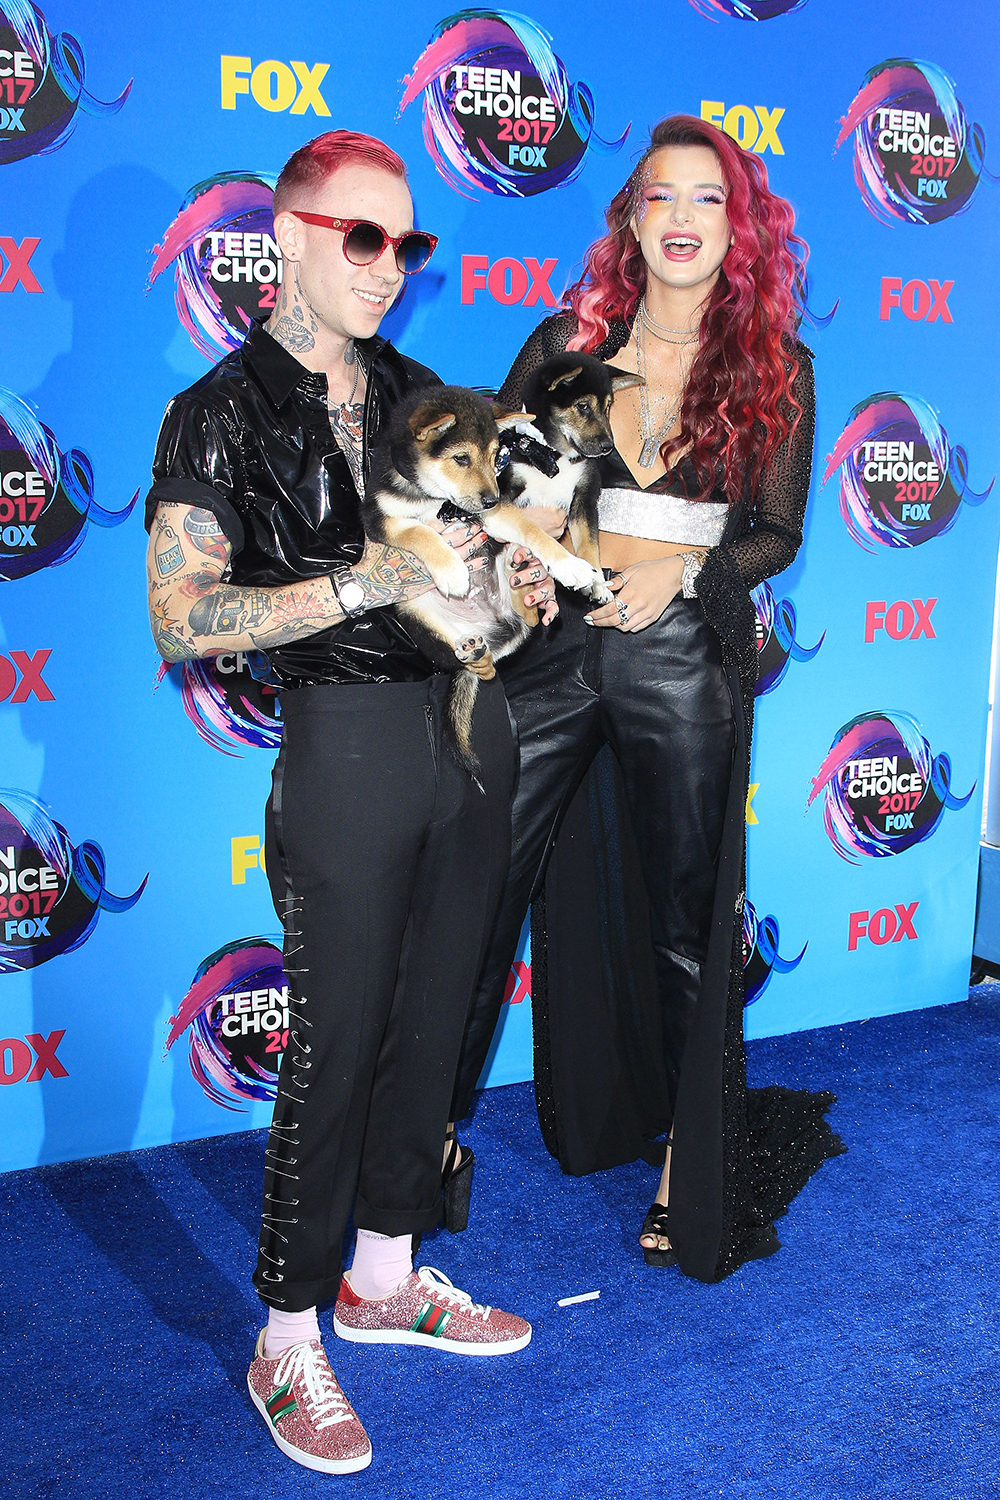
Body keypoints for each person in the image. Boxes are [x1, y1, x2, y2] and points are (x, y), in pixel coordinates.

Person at [144, 130, 550, 1476]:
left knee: (437, 1024)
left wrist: (520, 591)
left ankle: (387, 1276)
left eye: (410, 243)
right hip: (347, 741)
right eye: (365, 238)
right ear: (291, 237)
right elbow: (185, 614)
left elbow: (479, 586)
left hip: (468, 729)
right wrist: (365, 582)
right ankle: (285, 1336)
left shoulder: (432, 397)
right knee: (333, 1041)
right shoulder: (217, 413)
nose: (390, 266)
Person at [449, 114, 843, 1283]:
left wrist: (683, 564)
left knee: (687, 926)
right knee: (481, 896)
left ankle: (690, 1156)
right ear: (628, 217)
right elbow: (499, 497)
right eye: (659, 197)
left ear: (740, 227)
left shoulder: (775, 365)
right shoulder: (562, 346)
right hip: (555, 664)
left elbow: (777, 532)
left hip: (685, 668)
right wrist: (527, 551)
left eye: (707, 199)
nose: (682, 218)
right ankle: (417, 1150)